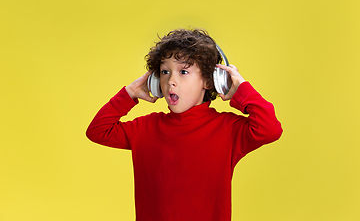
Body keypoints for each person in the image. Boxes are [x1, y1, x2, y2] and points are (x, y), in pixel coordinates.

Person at [86, 28, 283, 221]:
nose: (171, 80)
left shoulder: (227, 129)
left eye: (183, 71)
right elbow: (98, 131)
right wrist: (129, 93)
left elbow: (269, 129)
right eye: (164, 71)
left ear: (209, 80)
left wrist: (242, 91)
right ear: (156, 80)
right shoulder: (146, 128)